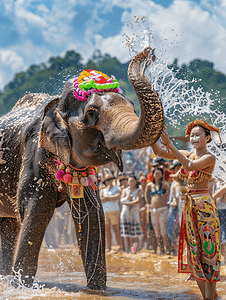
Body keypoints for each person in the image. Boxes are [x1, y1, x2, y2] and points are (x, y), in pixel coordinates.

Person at [152, 119, 221, 300]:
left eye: (199, 135)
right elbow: (159, 152)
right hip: (189, 207)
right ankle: (210, 295)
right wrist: (152, 132)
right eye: (192, 135)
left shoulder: (209, 157)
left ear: (207, 138)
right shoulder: (187, 154)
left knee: (209, 250)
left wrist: (171, 145)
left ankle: (209, 296)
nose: (194, 138)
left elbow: (189, 166)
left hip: (203, 206)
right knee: (193, 253)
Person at [145, 167, 171, 254]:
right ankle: (161, 249)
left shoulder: (164, 184)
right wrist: (148, 203)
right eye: (156, 173)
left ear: (162, 175)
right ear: (153, 175)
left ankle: (167, 249)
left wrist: (167, 202)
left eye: (159, 173)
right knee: (157, 231)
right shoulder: (149, 185)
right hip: (153, 210)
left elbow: (169, 194)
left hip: (162, 209)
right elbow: (146, 194)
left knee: (163, 230)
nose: (157, 175)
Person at [120, 175, 143, 253]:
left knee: (134, 234)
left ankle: (133, 250)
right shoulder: (125, 190)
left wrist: (129, 203)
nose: (131, 182)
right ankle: (127, 250)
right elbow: (121, 200)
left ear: (135, 182)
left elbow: (138, 200)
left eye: (133, 181)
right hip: (125, 213)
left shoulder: (138, 190)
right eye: (130, 181)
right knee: (126, 233)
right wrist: (127, 199)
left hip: (134, 213)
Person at [100, 173, 122, 252]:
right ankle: (108, 247)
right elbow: (101, 199)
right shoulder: (103, 190)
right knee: (107, 230)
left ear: (112, 180)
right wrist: (109, 198)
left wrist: (106, 198)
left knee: (116, 228)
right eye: (107, 180)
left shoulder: (117, 188)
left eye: (110, 180)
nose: (109, 181)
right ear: (105, 182)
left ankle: (120, 246)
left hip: (114, 210)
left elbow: (116, 197)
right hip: (105, 211)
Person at [211, 179, 226, 265]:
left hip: (224, 210)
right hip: (217, 211)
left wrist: (217, 196)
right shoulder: (215, 184)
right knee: (219, 238)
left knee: (224, 238)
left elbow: (216, 195)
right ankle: (223, 258)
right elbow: (215, 198)